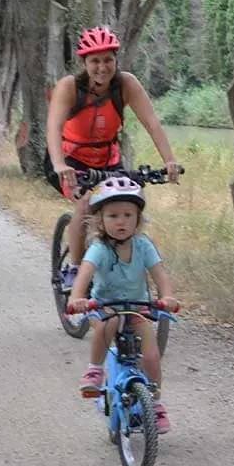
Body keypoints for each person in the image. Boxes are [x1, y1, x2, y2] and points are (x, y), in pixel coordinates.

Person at [46, 26, 184, 278]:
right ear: (84, 63)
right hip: (70, 160)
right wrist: (59, 164)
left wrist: (170, 161)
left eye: (108, 59)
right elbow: (54, 128)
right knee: (86, 203)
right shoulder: (69, 88)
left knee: (126, 202)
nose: (102, 67)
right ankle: (75, 269)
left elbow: (152, 122)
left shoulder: (126, 84)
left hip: (108, 160)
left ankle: (124, 265)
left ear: (116, 60)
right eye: (95, 61)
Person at [67, 177, 180, 432]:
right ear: (100, 220)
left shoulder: (143, 246)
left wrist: (168, 297)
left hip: (136, 307)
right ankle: (94, 370)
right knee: (112, 321)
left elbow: (160, 276)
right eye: (113, 215)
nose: (121, 221)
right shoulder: (99, 248)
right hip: (104, 307)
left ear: (138, 219)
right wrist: (77, 299)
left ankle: (156, 403)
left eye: (128, 215)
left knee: (151, 356)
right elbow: (84, 274)